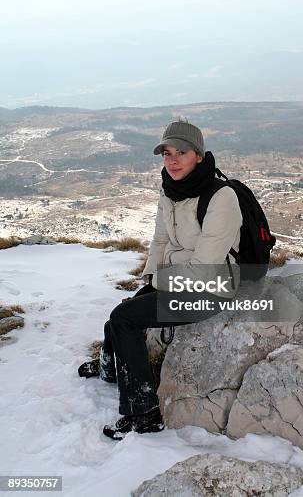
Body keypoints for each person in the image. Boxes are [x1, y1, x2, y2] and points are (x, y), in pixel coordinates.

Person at [78, 120, 242, 440]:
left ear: (199, 155)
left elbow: (204, 269)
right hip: (174, 278)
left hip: (210, 290)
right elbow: (159, 242)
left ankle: (145, 413)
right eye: (167, 153)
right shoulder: (169, 191)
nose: (172, 160)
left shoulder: (221, 197)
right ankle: (108, 368)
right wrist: (152, 279)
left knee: (124, 319)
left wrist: (162, 281)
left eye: (181, 152)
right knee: (122, 316)